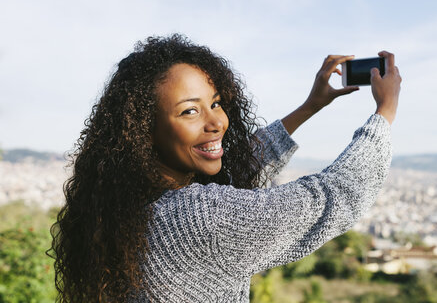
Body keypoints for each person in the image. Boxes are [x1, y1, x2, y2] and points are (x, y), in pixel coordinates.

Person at [49, 34, 401, 302]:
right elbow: (333, 197)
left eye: (215, 103)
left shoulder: (128, 205)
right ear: (145, 131)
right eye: (190, 110)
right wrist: (384, 112)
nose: (216, 122)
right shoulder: (200, 217)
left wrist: (309, 107)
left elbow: (240, 167)